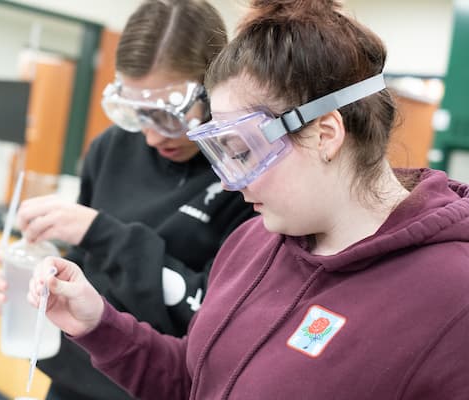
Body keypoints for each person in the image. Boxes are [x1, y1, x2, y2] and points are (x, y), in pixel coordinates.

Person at [27, 0, 469, 399]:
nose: (232, 184)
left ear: (325, 134)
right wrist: (97, 324)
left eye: (242, 151)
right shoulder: (252, 242)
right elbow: (192, 380)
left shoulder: (452, 295)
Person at [0, 1, 255, 399]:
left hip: (159, 386)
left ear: (213, 87)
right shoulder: (111, 148)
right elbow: (82, 266)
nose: (151, 135)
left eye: (168, 115)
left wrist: (102, 232)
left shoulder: (244, 175)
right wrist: (42, 279)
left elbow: (209, 310)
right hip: (74, 377)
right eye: (137, 114)